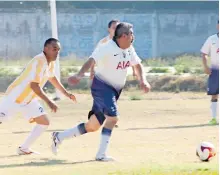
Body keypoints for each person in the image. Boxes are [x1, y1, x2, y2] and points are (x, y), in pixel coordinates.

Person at [51, 22, 151, 161]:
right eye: (131, 34)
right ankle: (101, 154)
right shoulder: (106, 47)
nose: (133, 36)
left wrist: (142, 80)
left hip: (115, 91)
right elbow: (91, 60)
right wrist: (79, 75)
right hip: (102, 87)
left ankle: (59, 136)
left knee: (93, 126)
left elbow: (137, 64)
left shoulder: (129, 48)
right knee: (113, 118)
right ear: (123, 36)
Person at [0, 38, 76, 155]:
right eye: (54, 49)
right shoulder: (39, 61)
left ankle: (23, 148)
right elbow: (34, 86)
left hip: (29, 99)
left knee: (44, 122)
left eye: (58, 50)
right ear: (46, 49)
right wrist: (49, 102)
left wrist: (66, 93)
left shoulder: (50, 62)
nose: (57, 52)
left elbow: (52, 78)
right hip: (15, 98)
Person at [201, 20, 219, 125]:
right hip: (215, 70)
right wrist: (206, 66)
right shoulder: (212, 39)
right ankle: (213, 118)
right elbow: (204, 53)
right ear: (218, 25)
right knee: (214, 94)